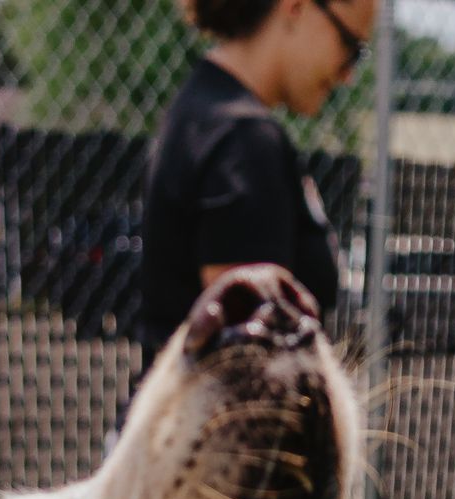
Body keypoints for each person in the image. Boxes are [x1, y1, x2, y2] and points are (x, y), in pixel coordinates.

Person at [140, 0, 377, 369]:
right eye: (351, 47)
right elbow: (248, 367)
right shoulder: (244, 142)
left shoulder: (204, 111)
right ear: (297, 8)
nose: (348, 74)